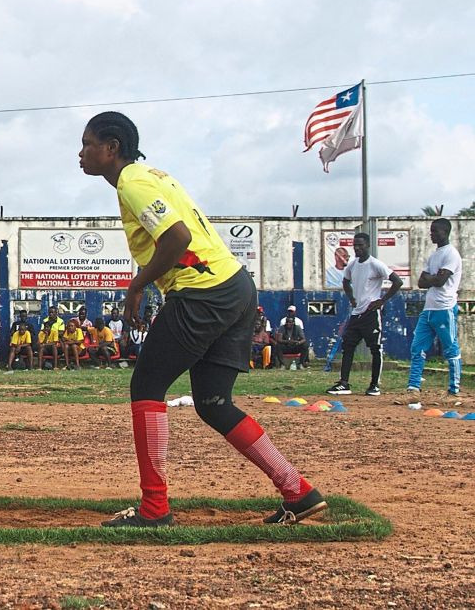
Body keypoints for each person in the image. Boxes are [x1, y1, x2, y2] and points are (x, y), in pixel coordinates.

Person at [79, 111, 324, 528]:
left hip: (202, 292)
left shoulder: (132, 181)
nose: (81, 154)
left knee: (147, 385)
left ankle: (154, 507)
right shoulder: (153, 175)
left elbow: (178, 237)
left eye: (87, 144)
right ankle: (298, 492)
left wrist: (137, 286)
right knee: (214, 404)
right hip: (235, 288)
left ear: (111, 147)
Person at [327, 232, 403, 396]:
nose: (357, 248)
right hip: (357, 313)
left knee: (375, 349)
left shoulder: (376, 264)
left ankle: (374, 385)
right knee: (348, 346)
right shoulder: (353, 264)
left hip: (371, 314)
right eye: (355, 245)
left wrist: (382, 301)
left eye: (360, 245)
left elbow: (397, 281)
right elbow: (346, 281)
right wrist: (351, 298)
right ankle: (344, 383)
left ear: (368, 245)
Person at [409, 218, 463, 399]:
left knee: (450, 349)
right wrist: (434, 277)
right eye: (431, 231)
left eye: (435, 231)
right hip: (428, 308)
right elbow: (421, 281)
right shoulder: (434, 256)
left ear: (445, 232)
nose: (431, 234)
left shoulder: (451, 254)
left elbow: (440, 282)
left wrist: (432, 278)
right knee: (417, 347)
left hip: (444, 308)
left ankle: (453, 391)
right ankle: (413, 388)